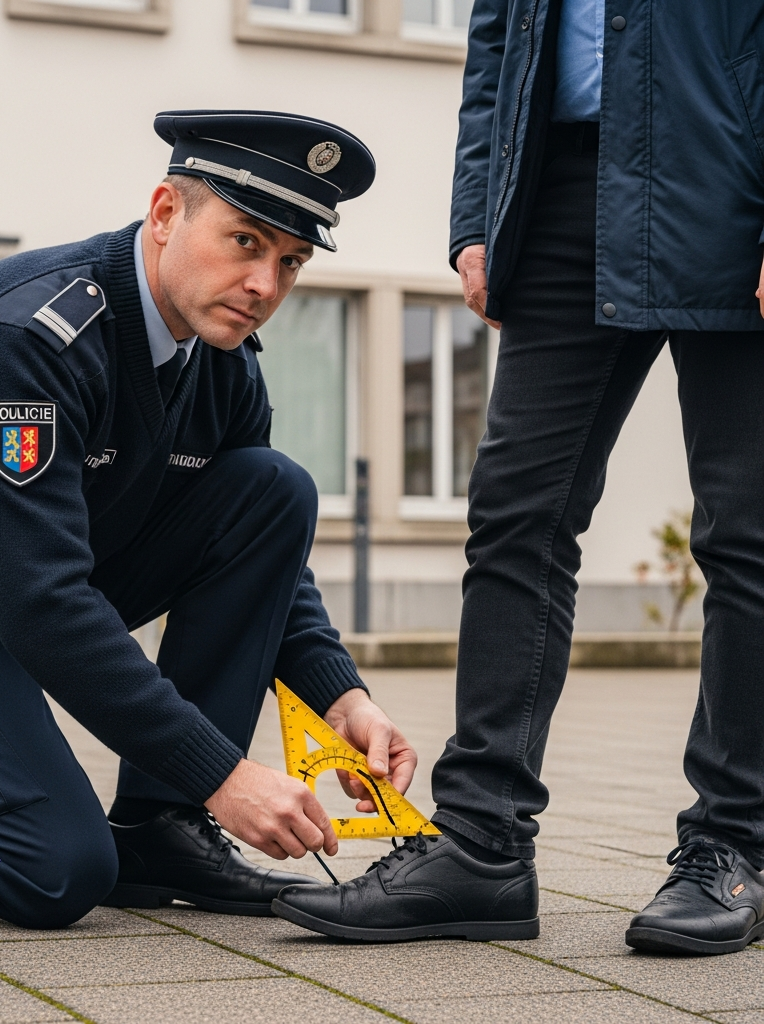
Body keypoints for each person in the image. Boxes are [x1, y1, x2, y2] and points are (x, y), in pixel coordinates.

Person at [0, 110, 421, 929]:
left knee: (272, 487)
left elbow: (261, 547)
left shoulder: (222, 357)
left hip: (15, 597)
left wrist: (340, 699)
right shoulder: (26, 339)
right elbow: (44, 605)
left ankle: (161, 827)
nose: (266, 287)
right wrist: (226, 773)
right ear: (166, 214)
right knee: (53, 871)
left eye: (290, 261)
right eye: (246, 242)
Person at [273, 2, 764, 955]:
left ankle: (734, 844)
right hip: (559, 187)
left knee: (745, 538)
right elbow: (498, 38)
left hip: (732, 170)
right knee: (514, 517)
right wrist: (476, 215)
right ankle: (481, 845)